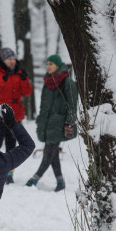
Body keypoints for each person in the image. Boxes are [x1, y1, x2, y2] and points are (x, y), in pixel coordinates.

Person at [25, 54, 79, 192]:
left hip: (59, 123)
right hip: (48, 123)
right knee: (53, 153)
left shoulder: (67, 82)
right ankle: (60, 182)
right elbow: (45, 104)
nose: (48, 66)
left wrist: (69, 122)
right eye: (47, 63)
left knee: (48, 152)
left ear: (58, 66)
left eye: (51, 64)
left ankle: (34, 179)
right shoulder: (48, 81)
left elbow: (73, 105)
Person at [0, 47, 33, 184]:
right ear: (2, 60)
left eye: (13, 58)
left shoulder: (18, 72)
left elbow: (27, 92)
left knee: (12, 145)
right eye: (9, 59)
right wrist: (3, 78)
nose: (12, 61)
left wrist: (24, 79)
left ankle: (8, 174)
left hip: (15, 113)